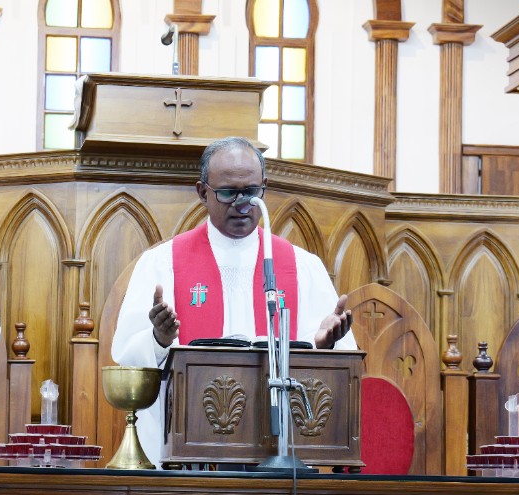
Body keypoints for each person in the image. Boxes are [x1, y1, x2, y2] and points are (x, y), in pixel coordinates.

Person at [111, 136, 356, 466]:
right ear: (202, 192)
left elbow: (339, 379)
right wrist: (158, 339)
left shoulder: (301, 267)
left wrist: (322, 347)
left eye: (252, 192)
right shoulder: (162, 264)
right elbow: (126, 362)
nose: (243, 203)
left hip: (278, 458)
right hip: (188, 461)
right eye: (228, 193)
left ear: (264, 187)